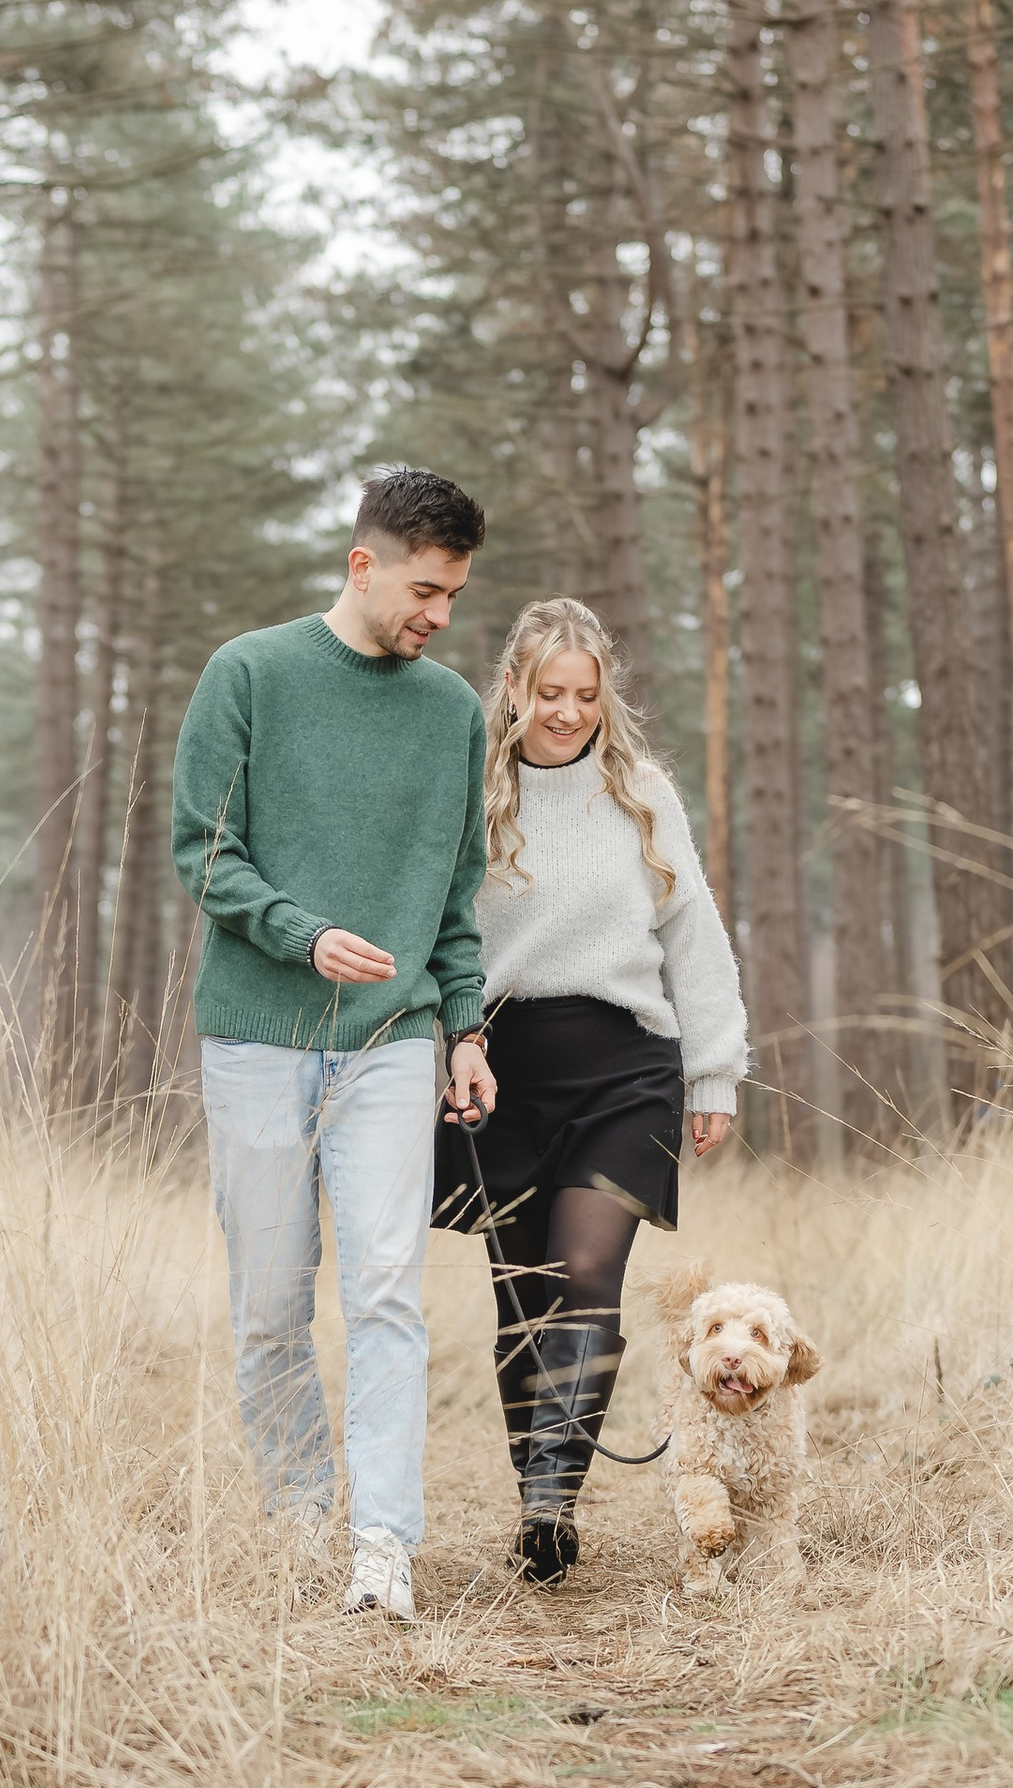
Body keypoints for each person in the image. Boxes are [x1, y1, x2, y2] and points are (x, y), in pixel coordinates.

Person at [170, 466, 499, 1625]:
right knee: (268, 1306)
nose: (439, 616)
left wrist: (461, 1023)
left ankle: (380, 1547)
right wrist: (301, 937)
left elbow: (457, 890)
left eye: (453, 595)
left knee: (387, 1296)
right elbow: (200, 853)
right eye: (423, 588)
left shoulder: (454, 711)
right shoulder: (248, 674)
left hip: (392, 1044)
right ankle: (299, 1519)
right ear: (362, 564)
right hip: (258, 1037)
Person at [436, 596, 747, 1587]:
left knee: (585, 1277)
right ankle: (539, 1484)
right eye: (547, 692)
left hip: (625, 1069)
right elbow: (438, 934)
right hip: (499, 1071)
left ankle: (550, 1503)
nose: (566, 712)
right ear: (514, 691)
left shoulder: (641, 794)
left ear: (605, 695)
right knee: (520, 1297)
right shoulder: (471, 793)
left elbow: (691, 937)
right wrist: (449, 1040)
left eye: (585, 694)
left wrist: (714, 1072)